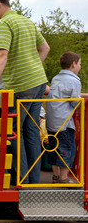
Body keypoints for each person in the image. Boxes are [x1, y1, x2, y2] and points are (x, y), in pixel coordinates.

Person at [0, 0, 50, 185]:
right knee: (31, 132)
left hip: (21, 85)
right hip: (38, 82)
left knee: (14, 132)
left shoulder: (4, 23)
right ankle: (33, 180)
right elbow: (45, 48)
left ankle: (22, 180)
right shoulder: (26, 21)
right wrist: (33, 67)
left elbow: (1, 55)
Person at [46, 52, 83, 183]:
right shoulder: (74, 80)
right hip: (64, 123)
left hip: (51, 121)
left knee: (53, 148)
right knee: (67, 148)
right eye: (79, 64)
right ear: (73, 64)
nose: (80, 67)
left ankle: (56, 175)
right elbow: (75, 102)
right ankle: (64, 178)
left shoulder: (56, 78)